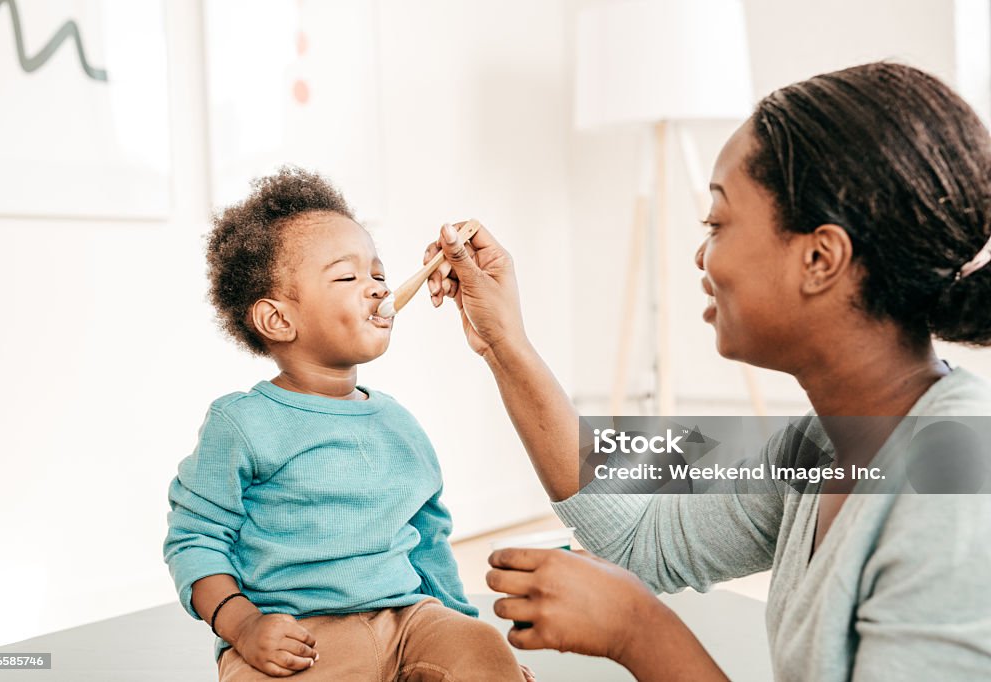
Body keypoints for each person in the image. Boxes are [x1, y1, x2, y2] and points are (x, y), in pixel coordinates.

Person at [423, 62, 991, 681]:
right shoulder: (823, 443)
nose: (702, 255)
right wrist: (506, 343)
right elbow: (642, 531)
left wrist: (638, 631)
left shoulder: (956, 484)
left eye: (717, 223)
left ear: (820, 257)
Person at [162, 167, 530, 681]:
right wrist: (244, 627)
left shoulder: (400, 424)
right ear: (278, 320)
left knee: (481, 646)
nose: (377, 288)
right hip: (296, 639)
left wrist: (465, 637)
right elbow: (195, 540)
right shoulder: (242, 423)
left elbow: (429, 539)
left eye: (378, 275)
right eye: (347, 277)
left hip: (410, 622)